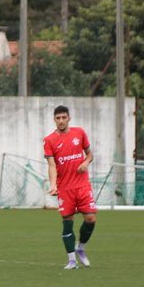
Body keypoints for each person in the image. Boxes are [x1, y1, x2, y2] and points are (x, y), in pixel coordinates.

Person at [45, 106, 96, 270]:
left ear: (69, 118)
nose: (61, 120)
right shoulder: (49, 140)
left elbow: (90, 154)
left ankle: (80, 247)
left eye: (63, 117)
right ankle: (72, 261)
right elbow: (52, 165)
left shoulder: (79, 133)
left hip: (82, 185)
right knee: (68, 222)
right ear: (54, 119)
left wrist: (85, 163)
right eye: (58, 118)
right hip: (65, 188)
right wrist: (53, 184)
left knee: (91, 219)